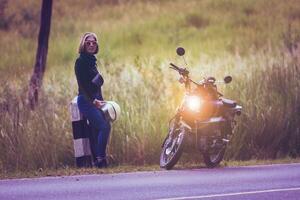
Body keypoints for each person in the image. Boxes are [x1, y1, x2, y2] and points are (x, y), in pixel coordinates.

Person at [74, 32, 111, 168]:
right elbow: (83, 86)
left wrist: (100, 99)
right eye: (88, 42)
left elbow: (94, 84)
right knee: (104, 126)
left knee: (96, 130)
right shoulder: (81, 62)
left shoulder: (91, 61)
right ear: (83, 45)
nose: (91, 44)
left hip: (95, 99)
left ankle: (97, 161)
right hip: (86, 101)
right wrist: (93, 101)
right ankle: (101, 158)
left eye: (93, 42)